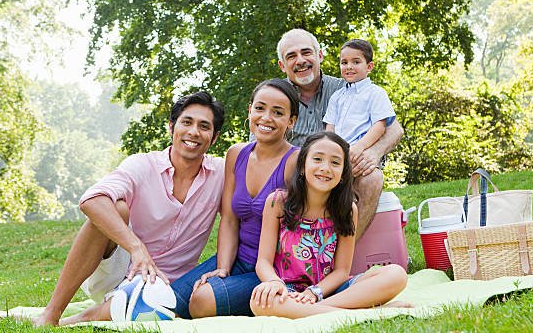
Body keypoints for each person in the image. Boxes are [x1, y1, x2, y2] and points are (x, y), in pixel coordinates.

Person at [34, 91, 225, 326]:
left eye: (204, 126)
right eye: (187, 122)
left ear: (214, 137)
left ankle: (83, 317)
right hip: (119, 270)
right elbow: (91, 200)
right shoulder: (143, 165)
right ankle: (50, 314)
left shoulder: (222, 175)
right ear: (171, 127)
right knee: (115, 207)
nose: (194, 132)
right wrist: (137, 248)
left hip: (169, 286)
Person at [170, 78, 300, 318]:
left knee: (202, 302)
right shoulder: (236, 154)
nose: (266, 117)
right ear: (250, 110)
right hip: (238, 258)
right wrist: (223, 269)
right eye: (260, 108)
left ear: (291, 121)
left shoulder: (295, 161)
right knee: (170, 302)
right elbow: (230, 219)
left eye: (278, 112)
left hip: (275, 271)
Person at [250, 132, 408, 318]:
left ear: (342, 173)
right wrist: (274, 282)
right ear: (302, 166)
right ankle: (365, 313)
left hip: (331, 290)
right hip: (288, 289)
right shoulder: (277, 202)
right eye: (317, 159)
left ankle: (317, 310)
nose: (325, 168)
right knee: (260, 303)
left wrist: (314, 293)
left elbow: (342, 271)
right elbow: (263, 262)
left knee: (397, 274)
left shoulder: (347, 209)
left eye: (335, 162)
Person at [276, 29, 404, 237]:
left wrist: (374, 152)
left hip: (342, 169)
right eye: (291, 56)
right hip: (296, 176)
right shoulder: (277, 96)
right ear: (282, 65)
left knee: (372, 177)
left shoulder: (347, 87)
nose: (300, 61)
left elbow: (394, 128)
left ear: (320, 56)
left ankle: (346, 255)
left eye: (306, 52)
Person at [324, 38, 395, 171]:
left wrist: (360, 147)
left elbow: (380, 126)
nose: (349, 66)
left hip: (362, 152)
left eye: (356, 62)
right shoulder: (337, 96)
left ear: (369, 67)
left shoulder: (376, 93)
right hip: (337, 153)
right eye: (344, 62)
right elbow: (330, 128)